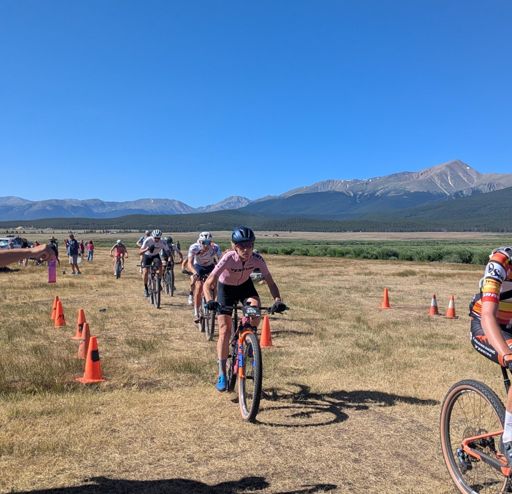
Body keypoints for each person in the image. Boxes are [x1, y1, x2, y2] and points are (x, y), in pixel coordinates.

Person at [203, 226, 286, 392]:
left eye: (250, 245)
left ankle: (249, 337)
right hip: (225, 289)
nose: (246, 249)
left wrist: (277, 300)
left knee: (255, 308)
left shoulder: (257, 259)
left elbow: (270, 282)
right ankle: (222, 372)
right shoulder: (228, 258)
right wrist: (210, 300)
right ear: (235, 246)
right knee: (225, 330)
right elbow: (208, 283)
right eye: (242, 246)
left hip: (244, 287)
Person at [470, 246, 512, 465]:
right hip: (486, 326)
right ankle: (510, 440)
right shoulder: (501, 262)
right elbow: (487, 316)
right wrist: (507, 355)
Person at [187, 232, 222, 323]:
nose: (206, 245)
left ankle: (215, 306)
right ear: (199, 241)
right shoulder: (194, 247)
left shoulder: (215, 247)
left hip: (210, 266)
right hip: (198, 266)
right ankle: (196, 312)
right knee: (199, 287)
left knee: (215, 285)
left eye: (208, 242)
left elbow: (221, 261)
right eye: (204, 243)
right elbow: (189, 263)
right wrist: (194, 272)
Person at [139, 229, 172, 297]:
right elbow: (140, 252)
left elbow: (168, 252)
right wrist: (147, 249)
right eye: (155, 238)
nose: (157, 239)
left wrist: (169, 260)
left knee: (160, 266)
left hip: (155, 255)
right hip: (147, 255)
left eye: (158, 238)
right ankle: (146, 288)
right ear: (152, 236)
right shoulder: (148, 240)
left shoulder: (163, 242)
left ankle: (158, 282)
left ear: (160, 237)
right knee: (145, 272)